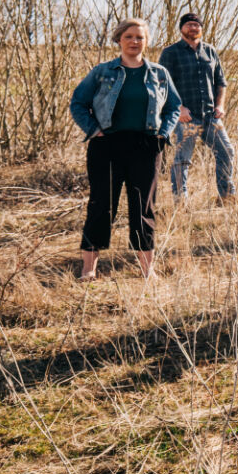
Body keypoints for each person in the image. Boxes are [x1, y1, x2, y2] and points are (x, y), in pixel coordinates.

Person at [70, 18, 182, 280]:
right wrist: (94, 130)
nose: (134, 41)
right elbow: (78, 102)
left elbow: (174, 107)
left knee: (144, 207)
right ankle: (88, 269)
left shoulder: (159, 74)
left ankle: (147, 269)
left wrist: (163, 134)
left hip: (146, 146)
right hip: (106, 145)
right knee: (101, 205)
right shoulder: (102, 71)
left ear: (147, 41)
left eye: (140, 37)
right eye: (129, 36)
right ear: (119, 39)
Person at [159, 11, 235, 203]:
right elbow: (162, 85)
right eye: (189, 24)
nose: (193, 28)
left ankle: (226, 196)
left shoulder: (210, 51)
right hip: (187, 116)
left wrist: (220, 105)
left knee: (226, 151)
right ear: (181, 28)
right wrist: (179, 109)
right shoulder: (170, 53)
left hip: (210, 115)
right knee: (183, 159)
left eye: (197, 25)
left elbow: (221, 82)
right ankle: (180, 201)